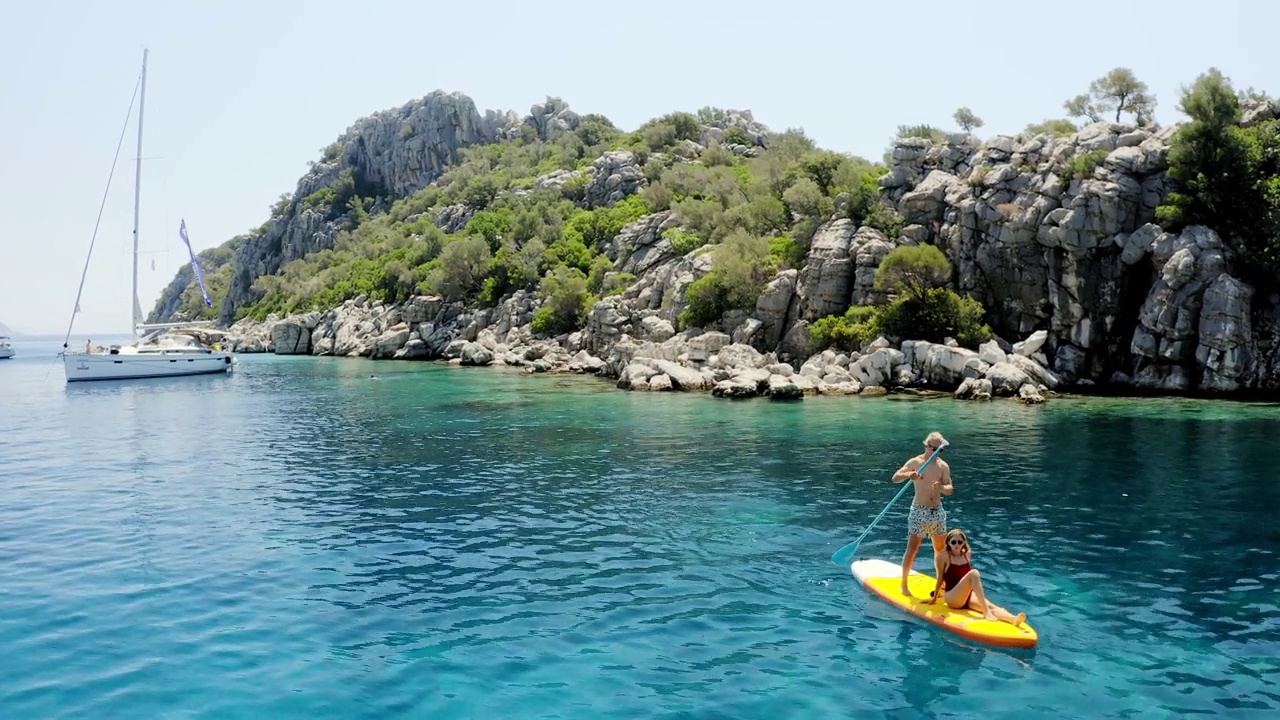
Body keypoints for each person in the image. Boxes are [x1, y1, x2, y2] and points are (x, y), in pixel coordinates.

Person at [891, 431, 952, 596]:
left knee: (940, 549)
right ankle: (904, 584)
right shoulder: (916, 462)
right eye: (935, 449)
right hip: (919, 510)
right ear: (927, 447)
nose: (938, 453)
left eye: (941, 450)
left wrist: (942, 487)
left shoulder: (943, 466)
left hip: (937, 511)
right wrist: (908, 475)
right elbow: (895, 478)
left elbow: (950, 489)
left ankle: (942, 584)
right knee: (912, 548)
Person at [927, 528, 1026, 626]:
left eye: (959, 542)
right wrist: (935, 598)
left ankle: (1013, 619)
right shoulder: (943, 557)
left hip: (967, 596)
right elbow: (940, 578)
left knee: (991, 606)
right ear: (948, 543)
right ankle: (986, 611)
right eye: (953, 542)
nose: (956, 545)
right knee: (974, 573)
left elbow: (963, 578)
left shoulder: (967, 553)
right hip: (952, 598)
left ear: (964, 542)